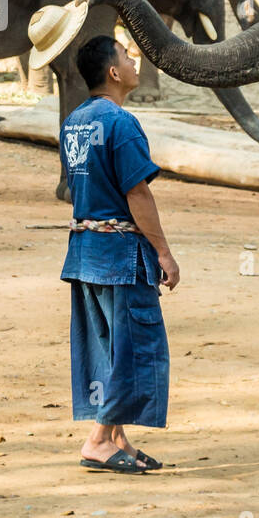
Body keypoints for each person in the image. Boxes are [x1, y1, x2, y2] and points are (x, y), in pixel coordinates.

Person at [47, 27, 180, 474]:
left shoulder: (74, 123)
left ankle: (119, 437)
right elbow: (137, 194)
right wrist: (163, 252)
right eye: (126, 55)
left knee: (104, 347)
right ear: (112, 71)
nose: (133, 61)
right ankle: (99, 440)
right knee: (133, 347)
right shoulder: (121, 124)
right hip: (121, 258)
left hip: (84, 254)